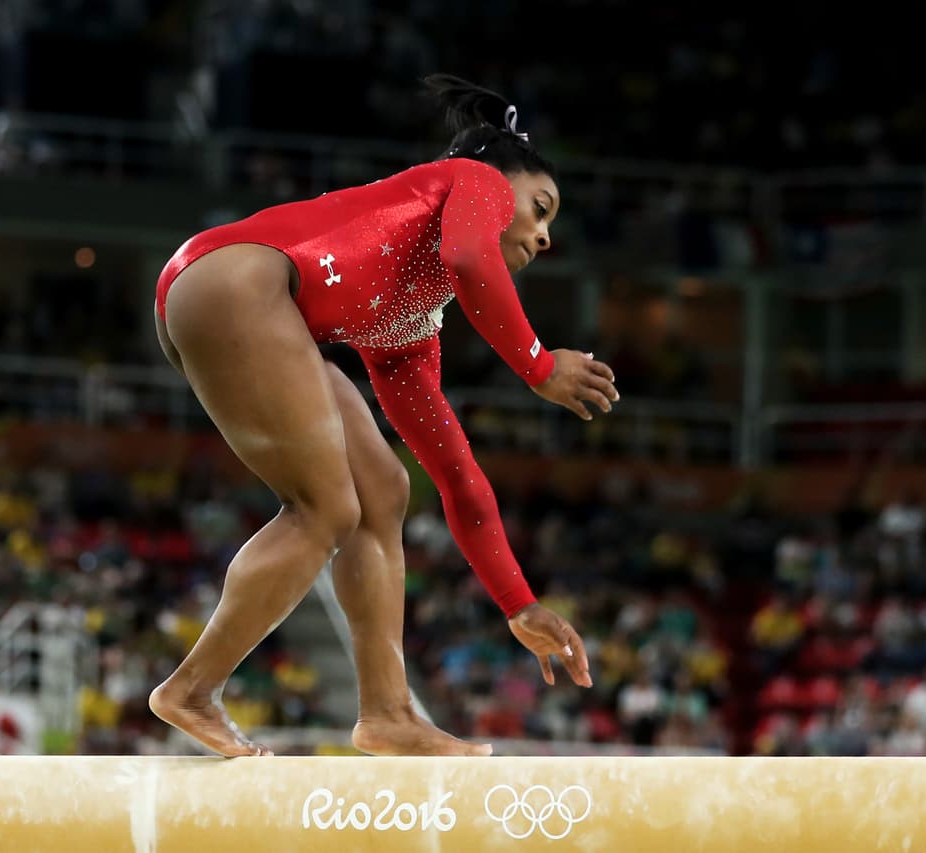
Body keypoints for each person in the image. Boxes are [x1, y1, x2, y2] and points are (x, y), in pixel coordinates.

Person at [148, 74, 619, 757]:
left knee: (382, 492)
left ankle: (388, 712)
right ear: (502, 179)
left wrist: (519, 603)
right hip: (237, 279)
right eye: (541, 208)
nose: (544, 236)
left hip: (243, 300)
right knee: (325, 508)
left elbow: (457, 477)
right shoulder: (473, 179)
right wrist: (540, 364)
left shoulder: (408, 326)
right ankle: (192, 688)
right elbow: (466, 253)